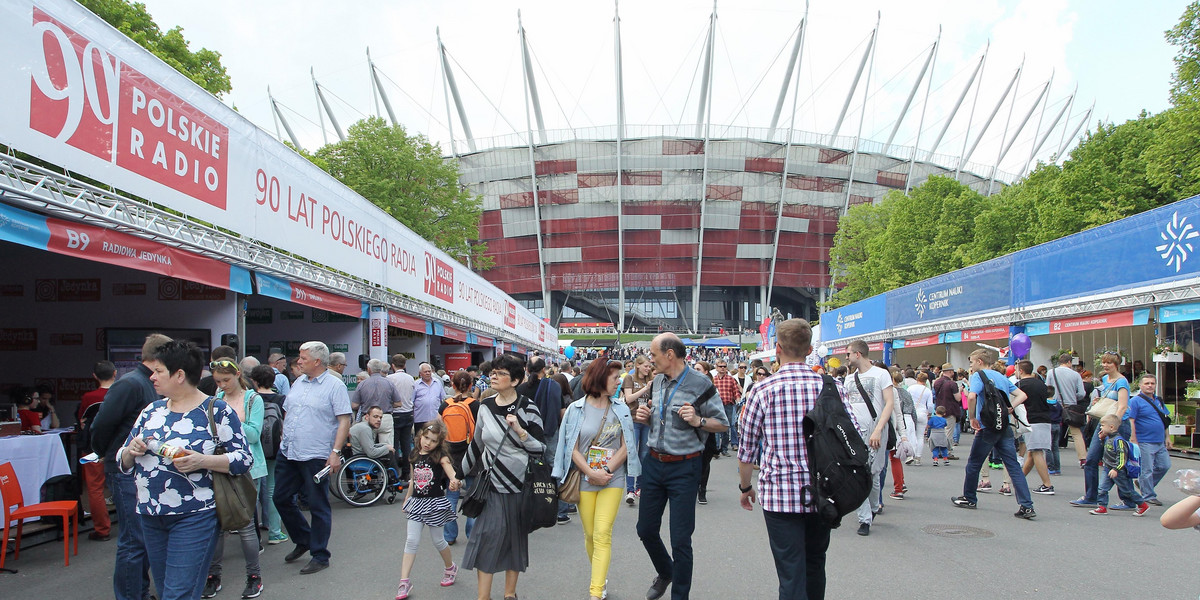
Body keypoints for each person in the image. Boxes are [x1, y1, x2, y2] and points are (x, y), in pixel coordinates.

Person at [117, 340, 253, 600]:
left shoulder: (216, 410)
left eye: (158, 371)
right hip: (149, 513)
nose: (152, 377)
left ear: (179, 375)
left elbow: (243, 458)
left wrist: (202, 460)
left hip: (194, 514)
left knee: (177, 593)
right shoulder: (151, 411)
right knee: (167, 585)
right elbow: (122, 460)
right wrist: (129, 452)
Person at [737, 319, 853, 600]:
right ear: (810, 349)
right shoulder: (832, 387)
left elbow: (747, 449)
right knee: (815, 563)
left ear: (777, 349)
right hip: (824, 491)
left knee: (790, 570)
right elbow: (852, 436)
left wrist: (745, 487)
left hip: (780, 493)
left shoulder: (763, 390)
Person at [633, 333, 728, 600]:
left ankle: (680, 596)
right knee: (645, 529)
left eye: (653, 355)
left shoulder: (700, 384)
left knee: (680, 540)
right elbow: (658, 421)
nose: (651, 361)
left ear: (670, 354)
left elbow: (722, 424)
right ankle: (666, 572)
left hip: (685, 468)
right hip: (654, 463)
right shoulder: (658, 382)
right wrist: (646, 416)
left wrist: (698, 420)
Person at [91, 333, 170, 600]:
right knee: (134, 541)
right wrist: (109, 454)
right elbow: (101, 426)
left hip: (139, 470)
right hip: (126, 470)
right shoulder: (130, 384)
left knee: (143, 540)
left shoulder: (146, 383)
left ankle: (139, 593)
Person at [461, 353, 545, 600]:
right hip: (490, 484)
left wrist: (520, 431)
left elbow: (541, 448)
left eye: (500, 373)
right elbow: (476, 446)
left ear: (516, 380)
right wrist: (457, 474)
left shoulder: (529, 408)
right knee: (486, 536)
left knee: (514, 540)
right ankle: (483, 597)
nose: (493, 377)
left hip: (519, 484)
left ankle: (510, 594)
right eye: (493, 373)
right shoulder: (485, 406)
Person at [553, 359, 640, 600]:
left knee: (602, 533)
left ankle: (595, 590)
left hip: (613, 478)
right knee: (590, 534)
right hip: (584, 478)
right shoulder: (576, 409)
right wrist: (591, 473)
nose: (619, 383)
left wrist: (606, 469)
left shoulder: (621, 408)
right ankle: (600, 577)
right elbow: (571, 446)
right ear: (601, 378)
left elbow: (628, 445)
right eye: (615, 379)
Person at [273, 341, 352, 575]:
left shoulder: (334, 386)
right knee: (281, 498)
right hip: (289, 452)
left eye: (303, 358)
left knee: (318, 505)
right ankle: (304, 538)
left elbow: (344, 420)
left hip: (316, 455)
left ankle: (320, 555)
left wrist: (336, 452)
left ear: (317, 361)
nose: (298, 361)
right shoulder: (298, 382)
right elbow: (288, 411)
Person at [204, 359, 266, 599]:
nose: (222, 385)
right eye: (218, 381)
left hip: (247, 466)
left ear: (238, 375)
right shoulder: (216, 398)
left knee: (246, 525)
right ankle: (213, 576)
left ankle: (254, 577)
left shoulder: (253, 399)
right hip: (218, 465)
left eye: (226, 380)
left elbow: (253, 434)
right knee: (218, 525)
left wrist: (230, 419)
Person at [951, 348, 1035, 519]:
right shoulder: (1001, 377)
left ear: (980, 362)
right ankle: (1026, 505)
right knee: (1012, 465)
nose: (971, 366)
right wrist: (1009, 408)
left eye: (972, 362)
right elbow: (1022, 395)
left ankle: (969, 497)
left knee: (974, 463)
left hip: (987, 425)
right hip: (1003, 424)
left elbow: (972, 396)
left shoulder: (978, 376)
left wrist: (972, 417)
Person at [395, 420, 461, 600]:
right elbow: (413, 480)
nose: (428, 443)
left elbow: (451, 473)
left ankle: (450, 567)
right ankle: (404, 581)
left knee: (438, 541)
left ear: (439, 443)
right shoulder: (414, 454)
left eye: (433, 440)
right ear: (420, 436)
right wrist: (407, 498)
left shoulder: (440, 456)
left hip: (434, 503)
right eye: (426, 438)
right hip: (416, 503)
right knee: (411, 540)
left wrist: (455, 481)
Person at [843, 340, 903, 536]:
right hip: (855, 432)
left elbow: (889, 403)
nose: (847, 357)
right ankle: (864, 519)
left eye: (849, 354)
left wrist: (878, 429)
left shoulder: (881, 374)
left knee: (874, 474)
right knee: (858, 473)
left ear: (858, 354)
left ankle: (874, 506)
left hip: (875, 430)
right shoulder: (849, 378)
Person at [1070, 353, 1132, 509]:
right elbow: (1109, 400)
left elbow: (1123, 406)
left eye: (1109, 363)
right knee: (1091, 459)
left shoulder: (1122, 382)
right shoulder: (1105, 379)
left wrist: (1113, 427)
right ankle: (1091, 496)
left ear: (1116, 364)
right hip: (1104, 421)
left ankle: (1129, 499)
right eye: (1104, 362)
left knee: (1118, 463)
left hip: (1117, 424)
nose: (1105, 365)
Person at [248, 365, 288, 546]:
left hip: (255, 448)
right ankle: (275, 531)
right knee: (272, 488)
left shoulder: (249, 398)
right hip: (274, 448)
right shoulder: (280, 399)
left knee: (253, 492)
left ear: (253, 380)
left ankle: (252, 535)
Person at [440, 371, 480, 545]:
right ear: (471, 385)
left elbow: (438, 430)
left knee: (451, 495)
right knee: (472, 494)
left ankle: (449, 536)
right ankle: (472, 534)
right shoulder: (475, 405)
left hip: (450, 455)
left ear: (453, 385)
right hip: (471, 455)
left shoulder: (445, 405)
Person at [79, 360, 116, 541]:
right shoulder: (121, 393)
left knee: (95, 488)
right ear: (115, 373)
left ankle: (102, 530)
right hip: (119, 447)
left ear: (94, 376)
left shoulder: (89, 397)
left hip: (93, 448)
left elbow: (82, 421)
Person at [1089, 414, 1150, 516]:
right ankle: (1102, 506)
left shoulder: (1119, 441)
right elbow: (1107, 450)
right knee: (1102, 488)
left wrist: (1116, 469)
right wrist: (1102, 439)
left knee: (1127, 491)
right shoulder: (1108, 438)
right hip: (1108, 468)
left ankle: (1142, 504)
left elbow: (1122, 458)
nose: (1101, 427)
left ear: (1111, 427)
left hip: (1118, 471)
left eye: (1103, 425)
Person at [1128, 374, 1171, 506]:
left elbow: (1165, 420)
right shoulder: (1135, 401)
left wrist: (1167, 437)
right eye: (1147, 383)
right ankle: (1148, 495)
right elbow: (1131, 420)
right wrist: (1133, 438)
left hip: (1159, 441)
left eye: (1152, 383)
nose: (1150, 386)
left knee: (1164, 465)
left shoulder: (1159, 400)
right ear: (1141, 385)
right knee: (1146, 470)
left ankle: (1143, 485)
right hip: (1144, 440)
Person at [1015, 360, 1055, 496]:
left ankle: (1047, 484)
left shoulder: (1020, 385)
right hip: (1045, 419)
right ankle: (1019, 480)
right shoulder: (1041, 384)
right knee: (1032, 452)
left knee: (1036, 451)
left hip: (1031, 420)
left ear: (1020, 371)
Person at [1045, 353, 1087, 470]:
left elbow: (1047, 388)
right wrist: (1073, 396)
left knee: (1052, 433)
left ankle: (1051, 460)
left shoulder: (1051, 373)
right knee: (1076, 433)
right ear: (1069, 362)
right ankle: (1082, 458)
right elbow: (1082, 393)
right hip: (1071, 406)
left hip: (1054, 404)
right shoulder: (1076, 375)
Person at [622, 355, 654, 506]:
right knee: (631, 453)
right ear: (638, 365)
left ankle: (640, 487)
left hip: (646, 420)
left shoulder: (651, 380)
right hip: (633, 419)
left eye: (649, 366)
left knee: (644, 454)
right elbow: (629, 399)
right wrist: (645, 389)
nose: (648, 369)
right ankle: (630, 489)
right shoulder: (630, 378)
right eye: (646, 366)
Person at [352, 359, 402, 446]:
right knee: (387, 447)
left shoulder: (362, 384)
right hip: (385, 417)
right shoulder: (389, 383)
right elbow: (398, 403)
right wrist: (388, 403)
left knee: (368, 447)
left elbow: (354, 405)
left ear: (369, 369)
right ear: (380, 369)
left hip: (368, 418)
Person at [388, 354, 417, 456]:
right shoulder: (411, 378)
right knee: (407, 444)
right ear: (404, 365)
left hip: (395, 413)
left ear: (392, 365)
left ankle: (395, 469)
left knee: (395, 443)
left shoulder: (389, 378)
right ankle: (407, 469)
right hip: (408, 413)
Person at [712, 360, 742, 457]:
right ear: (716, 367)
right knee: (716, 427)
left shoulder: (731, 379)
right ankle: (716, 449)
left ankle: (724, 448)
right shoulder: (713, 380)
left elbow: (736, 391)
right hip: (716, 406)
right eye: (720, 366)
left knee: (726, 426)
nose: (722, 368)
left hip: (728, 405)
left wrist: (738, 400)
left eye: (724, 366)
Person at [906, 372, 934, 466]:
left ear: (917, 379)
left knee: (911, 434)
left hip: (911, 413)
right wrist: (929, 413)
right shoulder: (927, 390)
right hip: (922, 413)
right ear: (926, 380)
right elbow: (930, 405)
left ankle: (910, 455)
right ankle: (918, 457)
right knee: (920, 436)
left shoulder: (910, 388)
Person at [413, 362, 443, 432]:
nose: (427, 373)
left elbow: (443, 399)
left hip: (435, 418)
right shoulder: (416, 384)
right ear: (420, 374)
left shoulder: (438, 382)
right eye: (425, 372)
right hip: (420, 419)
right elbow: (412, 401)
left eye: (429, 371)